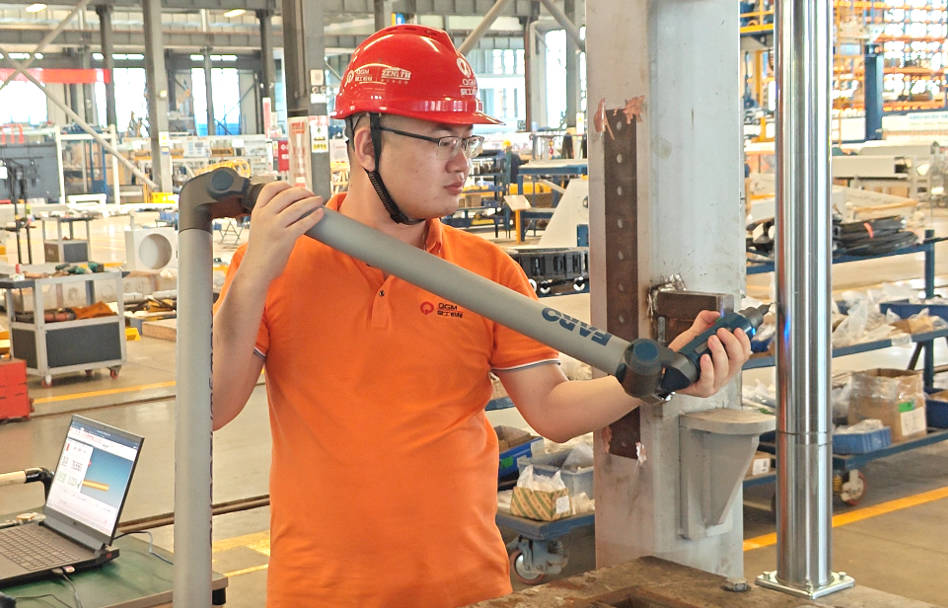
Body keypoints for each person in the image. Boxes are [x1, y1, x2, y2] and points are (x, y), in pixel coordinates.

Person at [211, 25, 751, 608]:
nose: (461, 164)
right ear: (366, 145)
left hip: (465, 589)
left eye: (466, 142)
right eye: (442, 140)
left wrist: (656, 379)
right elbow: (213, 407)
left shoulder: (486, 272)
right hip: (320, 594)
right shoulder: (277, 263)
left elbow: (551, 409)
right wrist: (254, 273)